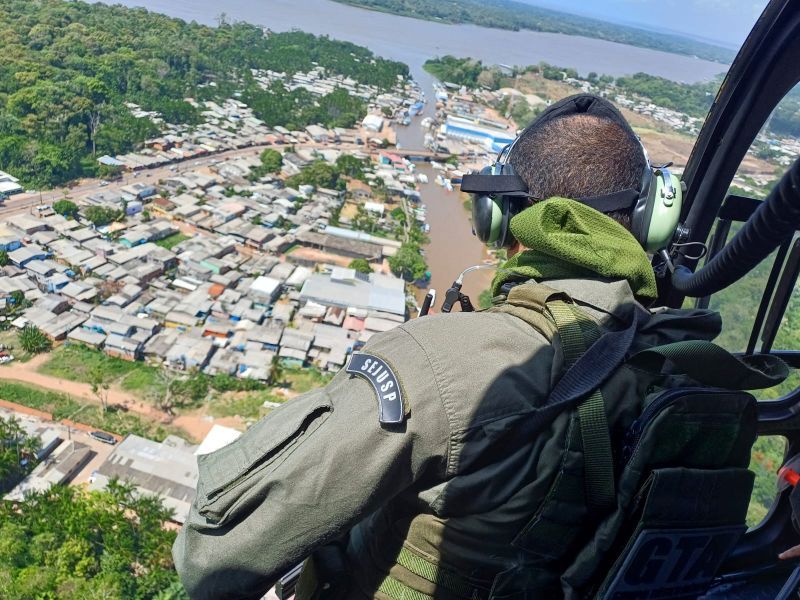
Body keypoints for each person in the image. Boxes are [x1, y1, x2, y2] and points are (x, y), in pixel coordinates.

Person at [172, 94, 725, 599]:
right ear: (652, 222)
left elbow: (213, 554)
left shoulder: (432, 364)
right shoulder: (697, 376)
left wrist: (431, 356)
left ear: (501, 216)